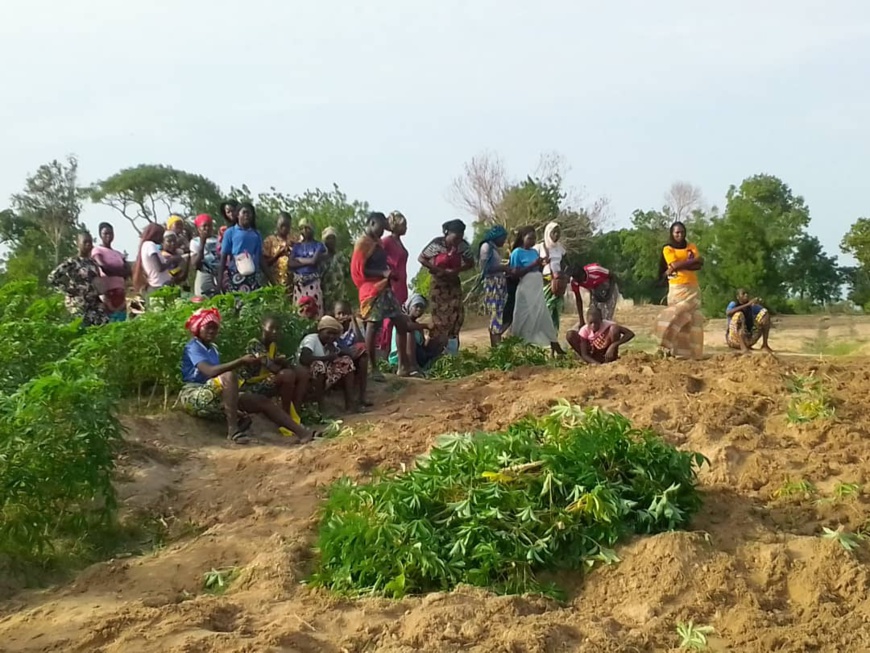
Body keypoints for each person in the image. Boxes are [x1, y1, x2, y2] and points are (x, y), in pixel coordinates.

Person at [179, 308, 314, 444]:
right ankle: (233, 431)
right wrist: (240, 361)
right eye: (208, 327)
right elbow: (210, 372)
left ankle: (303, 433)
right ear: (198, 328)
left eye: (215, 328)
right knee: (228, 376)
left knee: (260, 401)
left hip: (213, 395)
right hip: (193, 394)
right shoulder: (193, 346)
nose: (212, 331)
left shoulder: (213, 348)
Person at [351, 212, 419, 378]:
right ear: (372, 223)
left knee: (401, 323)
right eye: (381, 227)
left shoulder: (378, 242)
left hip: (385, 288)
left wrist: (389, 275)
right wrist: (383, 272)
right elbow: (359, 272)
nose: (383, 231)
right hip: (370, 289)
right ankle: (373, 368)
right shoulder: (363, 243)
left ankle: (403, 366)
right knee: (373, 326)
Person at [239, 315, 310, 419]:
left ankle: (297, 410)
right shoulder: (254, 345)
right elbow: (273, 367)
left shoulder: (272, 346)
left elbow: (278, 362)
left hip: (267, 380)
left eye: (277, 329)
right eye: (271, 328)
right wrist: (282, 364)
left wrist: (284, 362)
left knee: (302, 372)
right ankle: (286, 415)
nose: (274, 332)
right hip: (252, 386)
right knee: (287, 375)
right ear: (263, 327)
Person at [418, 219, 475, 349]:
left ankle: (453, 350)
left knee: (456, 317)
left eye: (460, 238)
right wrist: (439, 270)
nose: (457, 241)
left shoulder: (463, 246)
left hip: (453, 285)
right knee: (439, 320)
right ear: (447, 233)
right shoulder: (437, 244)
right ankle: (434, 351)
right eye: (455, 238)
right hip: (438, 285)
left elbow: (470, 263)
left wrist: (456, 270)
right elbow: (421, 258)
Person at [508, 227, 564, 354]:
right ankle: (521, 345)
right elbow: (515, 274)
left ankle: (553, 342)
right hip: (526, 289)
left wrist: (542, 264)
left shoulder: (534, 251)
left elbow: (537, 269)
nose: (533, 241)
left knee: (543, 314)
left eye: (534, 238)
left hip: (537, 288)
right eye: (530, 238)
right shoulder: (517, 252)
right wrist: (533, 264)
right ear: (523, 238)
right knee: (524, 317)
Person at [655, 221, 705, 359]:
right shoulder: (668, 249)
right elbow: (675, 264)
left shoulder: (691, 246)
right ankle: (667, 347)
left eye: (682, 232)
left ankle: (693, 354)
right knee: (677, 317)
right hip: (677, 289)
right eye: (677, 232)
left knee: (694, 320)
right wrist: (687, 263)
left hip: (692, 288)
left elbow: (699, 264)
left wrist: (678, 266)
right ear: (672, 233)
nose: (680, 235)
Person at [297, 316, 366, 413]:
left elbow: (345, 354)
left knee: (346, 362)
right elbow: (304, 359)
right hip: (306, 377)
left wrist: (338, 352)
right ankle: (321, 408)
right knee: (319, 365)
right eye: (328, 333)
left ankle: (350, 404)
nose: (331, 336)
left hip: (324, 378)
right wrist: (327, 358)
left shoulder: (331, 344)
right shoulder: (311, 339)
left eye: (334, 334)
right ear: (320, 331)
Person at [48, 232, 109, 328]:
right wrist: (67, 290)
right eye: (85, 242)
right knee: (82, 331)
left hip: (93, 304)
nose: (88, 244)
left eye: (90, 242)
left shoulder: (93, 263)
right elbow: (52, 277)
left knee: (104, 326)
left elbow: (95, 284)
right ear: (78, 243)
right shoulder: (72, 262)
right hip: (78, 304)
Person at [378, 211, 409, 351]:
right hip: (392, 284)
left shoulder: (398, 242)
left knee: (399, 318)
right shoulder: (387, 242)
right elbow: (377, 257)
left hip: (401, 284)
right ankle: (386, 348)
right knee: (389, 319)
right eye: (403, 225)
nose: (406, 227)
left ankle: (397, 350)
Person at [476, 224, 511, 347]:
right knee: (495, 314)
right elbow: (485, 268)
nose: (504, 241)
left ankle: (497, 344)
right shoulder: (486, 247)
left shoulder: (494, 248)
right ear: (497, 237)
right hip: (492, 285)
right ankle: (495, 346)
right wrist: (503, 267)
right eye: (503, 238)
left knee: (500, 314)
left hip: (499, 283)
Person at [218, 202, 264, 293]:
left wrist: (272, 280)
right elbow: (223, 258)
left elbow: (260, 258)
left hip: (253, 275)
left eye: (249, 213)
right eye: (244, 212)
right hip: (236, 274)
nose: (247, 215)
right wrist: (219, 282)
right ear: (238, 215)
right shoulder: (230, 232)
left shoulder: (256, 234)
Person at [389, 294, 442, 370]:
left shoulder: (418, 326)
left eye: (422, 307)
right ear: (410, 306)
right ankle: (412, 366)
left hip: (417, 356)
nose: (419, 309)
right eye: (416, 306)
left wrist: (430, 337)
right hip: (400, 358)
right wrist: (426, 325)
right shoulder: (403, 320)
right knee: (410, 332)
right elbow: (408, 327)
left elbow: (423, 347)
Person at [567, 307, 634, 365]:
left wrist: (614, 345)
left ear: (601, 320)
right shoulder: (584, 330)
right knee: (570, 334)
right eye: (591, 323)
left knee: (614, 329)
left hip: (606, 352)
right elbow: (585, 354)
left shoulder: (608, 325)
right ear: (587, 321)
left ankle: (612, 359)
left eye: (596, 322)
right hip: (592, 355)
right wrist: (598, 365)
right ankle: (591, 362)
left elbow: (630, 334)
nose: (593, 325)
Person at [334, 301, 372, 404]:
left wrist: (353, 321)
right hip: (339, 360)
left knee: (363, 352)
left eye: (344, 313)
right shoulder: (333, 329)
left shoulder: (353, 329)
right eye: (339, 313)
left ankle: (362, 396)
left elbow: (360, 341)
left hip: (353, 360)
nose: (342, 316)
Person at [91, 222, 129, 322]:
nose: (108, 236)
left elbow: (128, 271)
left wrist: (115, 271)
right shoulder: (97, 250)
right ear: (100, 235)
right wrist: (119, 272)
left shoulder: (118, 254)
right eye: (105, 233)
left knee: (121, 321)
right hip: (107, 294)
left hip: (120, 293)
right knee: (109, 322)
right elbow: (104, 267)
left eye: (110, 233)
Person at [290, 218, 328, 316]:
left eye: (308, 228)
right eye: (302, 228)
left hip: (313, 282)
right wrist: (308, 261)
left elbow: (314, 261)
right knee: (299, 311)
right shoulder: (297, 246)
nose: (305, 231)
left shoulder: (318, 245)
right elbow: (290, 263)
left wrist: (298, 259)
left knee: (314, 310)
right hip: (299, 284)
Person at [537, 222, 568, 330]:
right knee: (546, 310)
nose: (556, 235)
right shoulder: (540, 247)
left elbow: (566, 264)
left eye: (558, 233)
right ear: (548, 233)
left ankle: (553, 337)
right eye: (554, 232)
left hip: (558, 283)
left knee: (556, 311)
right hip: (545, 282)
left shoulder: (560, 248)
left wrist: (563, 275)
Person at [133, 223, 174, 296]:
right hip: (160, 286)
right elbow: (159, 267)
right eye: (161, 235)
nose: (162, 238)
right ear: (155, 235)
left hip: (156, 285)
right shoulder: (150, 245)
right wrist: (172, 260)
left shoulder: (145, 245)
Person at [320, 226, 349, 312]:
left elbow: (347, 274)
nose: (331, 241)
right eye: (328, 238)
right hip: (325, 297)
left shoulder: (341, 257)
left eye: (333, 238)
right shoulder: (320, 258)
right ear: (324, 241)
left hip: (339, 296)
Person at [190, 214, 220, 298]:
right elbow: (195, 265)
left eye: (209, 225)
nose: (207, 228)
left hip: (219, 274)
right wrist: (202, 243)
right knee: (202, 299)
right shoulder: (195, 242)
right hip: (204, 273)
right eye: (204, 226)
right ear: (198, 228)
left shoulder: (218, 239)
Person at [263, 211, 294, 293]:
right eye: (282, 225)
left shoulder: (294, 240)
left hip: (292, 285)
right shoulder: (269, 241)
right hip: (274, 283)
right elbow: (264, 263)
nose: (285, 228)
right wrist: (278, 254)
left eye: (287, 226)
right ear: (276, 224)